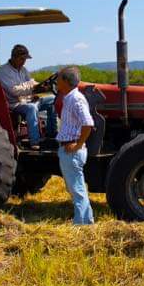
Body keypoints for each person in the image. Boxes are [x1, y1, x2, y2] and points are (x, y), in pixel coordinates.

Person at [55, 66, 95, 225]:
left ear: (65, 81)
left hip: (72, 150)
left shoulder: (76, 99)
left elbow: (88, 123)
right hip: (68, 148)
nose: (56, 82)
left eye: (58, 79)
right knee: (76, 188)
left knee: (77, 189)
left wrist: (78, 145)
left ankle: (81, 224)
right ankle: (86, 220)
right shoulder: (69, 97)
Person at [0, 44, 57, 148]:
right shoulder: (3, 72)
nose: (24, 61)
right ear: (14, 57)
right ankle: (35, 142)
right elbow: (14, 90)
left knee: (52, 99)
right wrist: (32, 89)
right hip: (15, 104)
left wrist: (40, 86)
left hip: (27, 99)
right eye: (22, 59)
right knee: (31, 108)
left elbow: (30, 82)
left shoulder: (23, 69)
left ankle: (51, 134)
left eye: (25, 59)